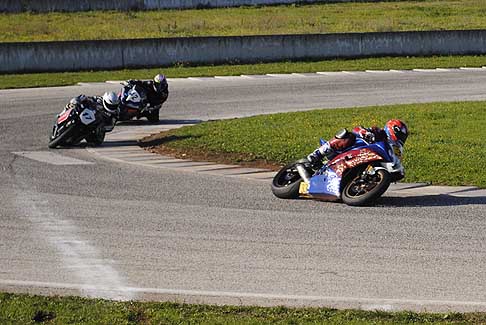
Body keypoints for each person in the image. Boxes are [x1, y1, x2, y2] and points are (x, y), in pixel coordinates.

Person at [307, 119, 409, 165]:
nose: (401, 138)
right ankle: (318, 153)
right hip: (353, 148)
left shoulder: (394, 148)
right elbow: (357, 129)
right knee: (348, 136)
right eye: (401, 135)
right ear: (393, 129)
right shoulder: (378, 132)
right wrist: (365, 133)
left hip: (363, 159)